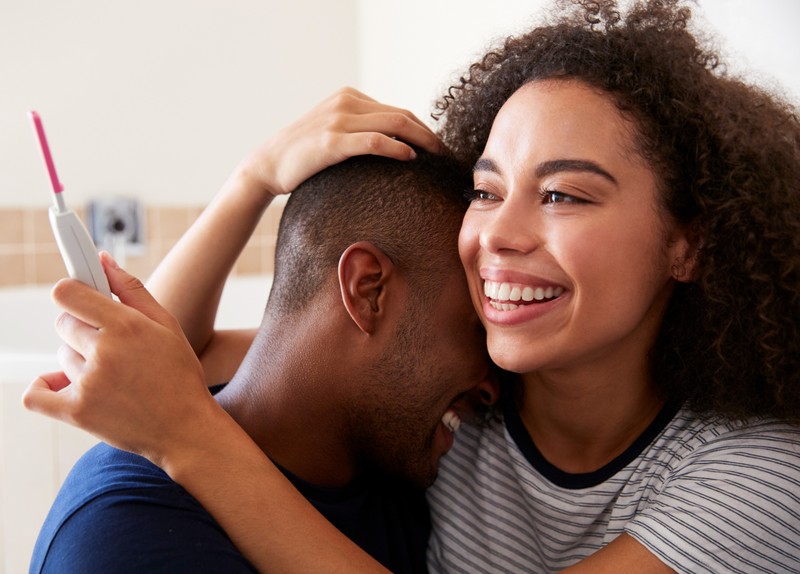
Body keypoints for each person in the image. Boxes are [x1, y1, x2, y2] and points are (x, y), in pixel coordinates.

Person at [24, 0, 800, 572]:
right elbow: (173, 358)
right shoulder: (470, 399)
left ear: (687, 244)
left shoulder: (756, 476)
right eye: (487, 192)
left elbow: (173, 392)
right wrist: (254, 179)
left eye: (564, 194)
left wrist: (190, 437)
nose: (497, 234)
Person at [28, 150, 498, 573]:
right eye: (476, 327)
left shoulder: (392, 464)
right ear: (368, 291)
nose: (494, 384)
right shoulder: (128, 533)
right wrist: (253, 177)